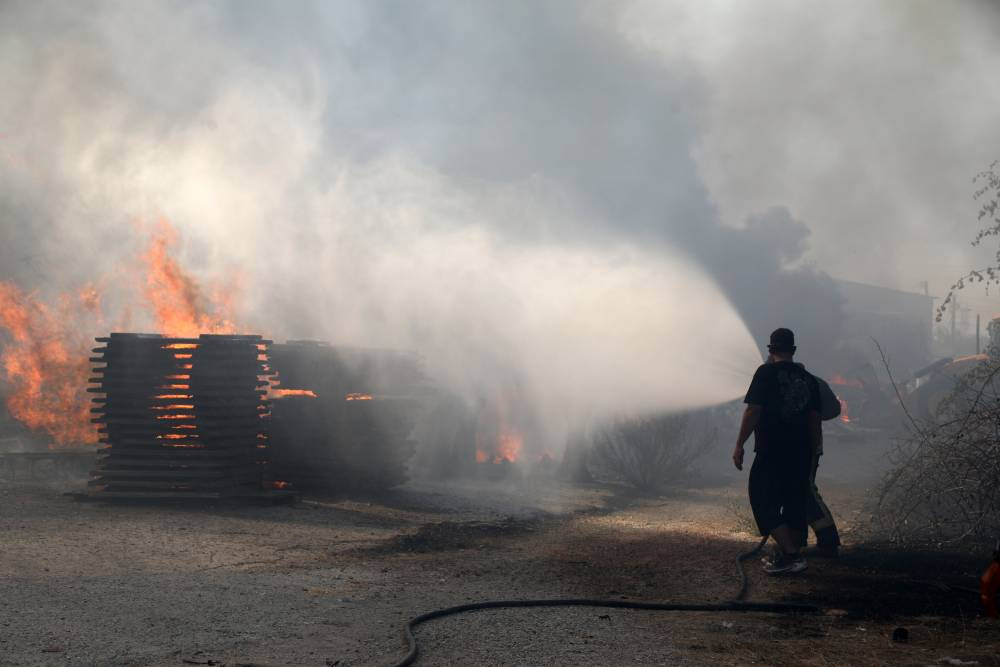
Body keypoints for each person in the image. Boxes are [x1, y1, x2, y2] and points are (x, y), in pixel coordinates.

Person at [732, 328, 821, 575]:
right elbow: (815, 420)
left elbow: (753, 410)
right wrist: (815, 453)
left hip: (772, 451)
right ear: (792, 351)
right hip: (801, 453)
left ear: (771, 351)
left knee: (762, 500)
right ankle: (789, 556)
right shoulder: (808, 379)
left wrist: (739, 444)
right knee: (793, 503)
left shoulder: (765, 373)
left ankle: (792, 556)